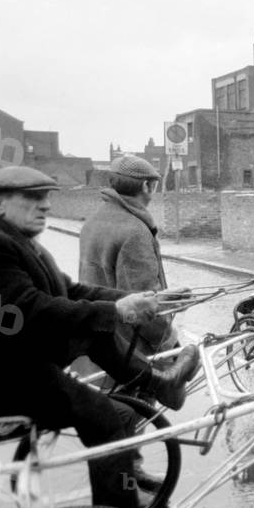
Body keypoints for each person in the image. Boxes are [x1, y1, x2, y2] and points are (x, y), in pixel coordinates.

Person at [0, 166, 200, 508]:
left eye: (47, 196)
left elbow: (73, 292)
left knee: (105, 351)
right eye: (33, 198)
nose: (46, 205)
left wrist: (144, 300)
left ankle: (157, 386)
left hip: (22, 361)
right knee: (106, 417)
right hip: (5, 375)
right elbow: (21, 311)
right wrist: (116, 310)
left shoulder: (19, 240)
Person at [76, 155, 180, 390]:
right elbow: (144, 298)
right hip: (132, 350)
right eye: (153, 186)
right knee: (137, 414)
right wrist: (169, 341)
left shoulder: (92, 222)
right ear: (146, 186)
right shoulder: (135, 231)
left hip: (102, 343)